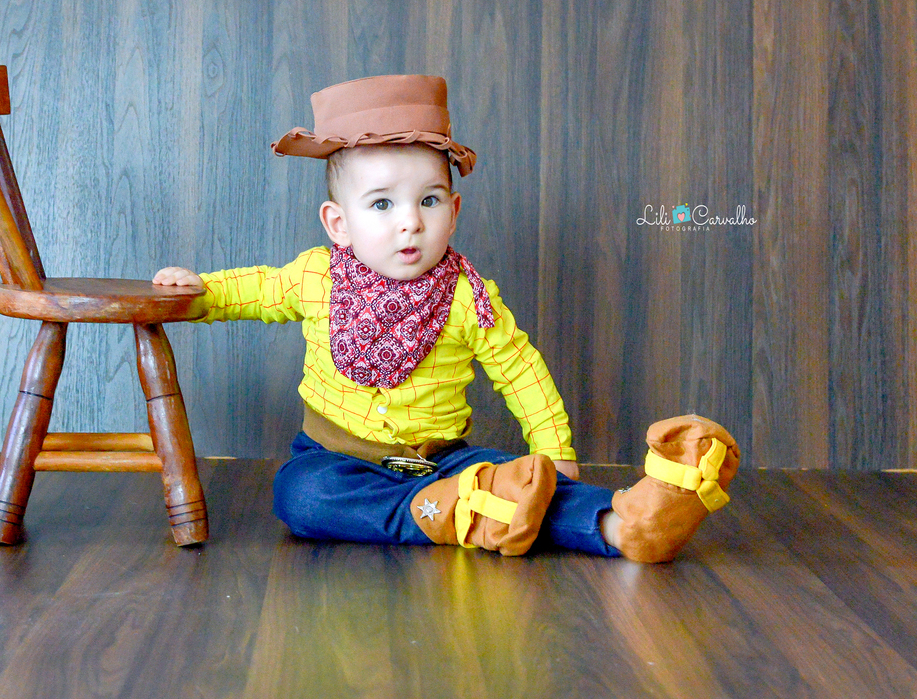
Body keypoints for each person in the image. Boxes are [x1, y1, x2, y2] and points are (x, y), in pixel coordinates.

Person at [153, 75, 739, 562]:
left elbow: (520, 371)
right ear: (339, 224)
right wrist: (197, 291)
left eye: (428, 200)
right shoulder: (315, 277)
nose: (410, 221)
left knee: (528, 481)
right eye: (382, 203)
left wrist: (553, 449)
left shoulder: (468, 297)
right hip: (337, 461)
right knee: (300, 496)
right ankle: (452, 514)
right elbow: (254, 290)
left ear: (453, 212)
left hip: (444, 462)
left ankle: (625, 523)